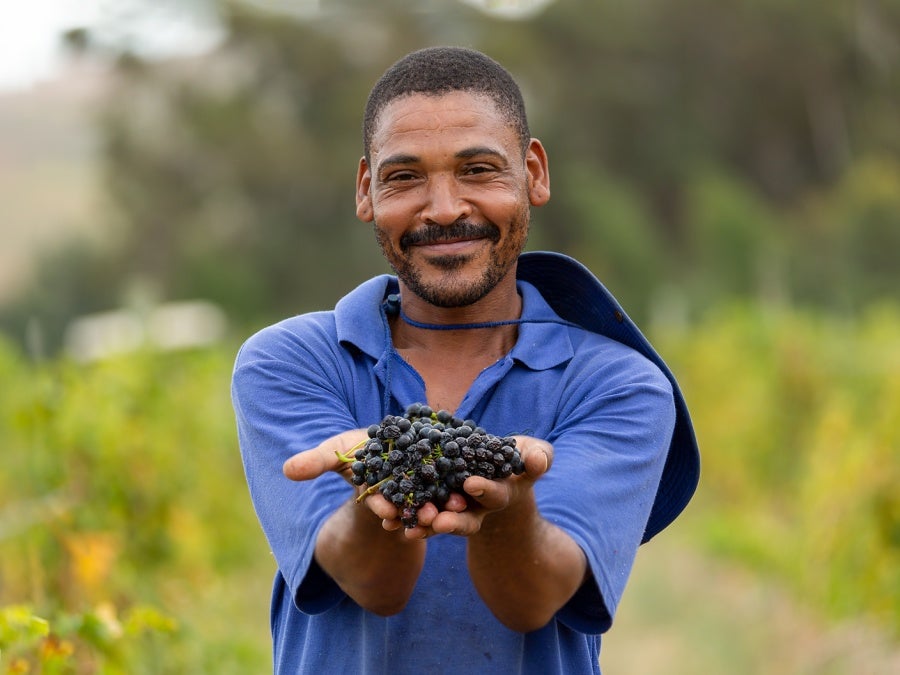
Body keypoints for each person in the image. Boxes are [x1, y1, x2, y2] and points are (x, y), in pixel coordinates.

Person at [231, 46, 699, 674]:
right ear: (367, 190)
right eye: (405, 178)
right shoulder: (292, 363)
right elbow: (371, 583)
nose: (445, 209)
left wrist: (512, 506)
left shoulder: (617, 384)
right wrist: (385, 475)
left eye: (478, 169)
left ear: (533, 172)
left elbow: (535, 599)